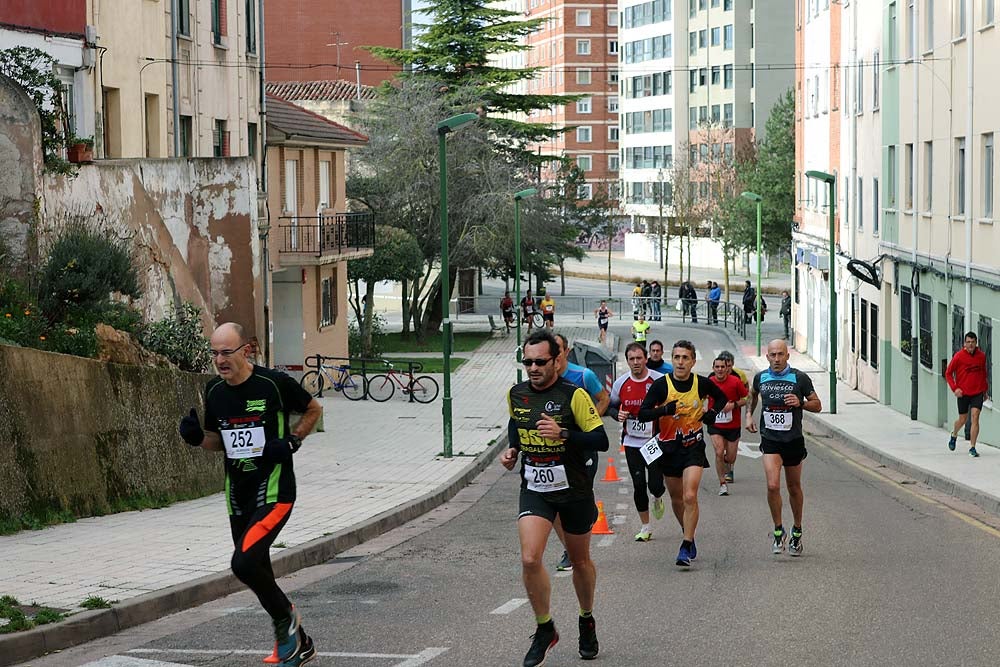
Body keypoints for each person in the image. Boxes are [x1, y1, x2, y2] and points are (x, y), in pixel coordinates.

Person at [178, 323, 323, 666]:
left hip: (274, 490)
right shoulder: (214, 391)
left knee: (242, 563)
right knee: (259, 570)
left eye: (226, 352)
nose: (219, 359)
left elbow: (313, 408)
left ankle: (287, 622)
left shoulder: (273, 383)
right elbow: (219, 442)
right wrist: (197, 437)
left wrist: (292, 440)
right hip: (237, 493)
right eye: (214, 352)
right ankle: (299, 643)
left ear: (246, 350)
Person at [500, 330, 609, 666]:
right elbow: (516, 425)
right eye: (528, 362)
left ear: (556, 362)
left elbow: (600, 440)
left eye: (540, 362)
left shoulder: (573, 395)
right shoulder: (516, 394)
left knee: (580, 562)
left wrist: (563, 433)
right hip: (535, 487)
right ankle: (545, 628)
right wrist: (512, 450)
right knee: (531, 559)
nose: (533, 367)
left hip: (573, 490)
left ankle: (586, 618)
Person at [637, 340, 732, 567]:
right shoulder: (661, 385)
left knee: (690, 496)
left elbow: (721, 398)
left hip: (693, 446)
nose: (680, 362)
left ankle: (686, 543)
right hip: (669, 449)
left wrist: (712, 414)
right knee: (677, 498)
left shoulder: (700, 383)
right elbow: (643, 414)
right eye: (677, 357)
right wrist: (664, 410)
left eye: (685, 358)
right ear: (672, 360)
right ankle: (686, 530)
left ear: (693, 361)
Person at [745, 339, 822, 557]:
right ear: (767, 356)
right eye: (772, 355)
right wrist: (749, 415)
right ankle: (778, 530)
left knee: (794, 487)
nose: (776, 359)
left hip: (793, 440)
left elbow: (818, 405)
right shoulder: (761, 377)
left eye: (780, 354)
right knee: (772, 486)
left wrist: (801, 403)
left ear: (788, 356)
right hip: (770, 440)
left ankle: (797, 530)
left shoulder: (800, 378)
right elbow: (752, 394)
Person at [553, 333, 610, 571]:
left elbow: (604, 397)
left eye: (557, 349)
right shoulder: (544, 380)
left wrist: (589, 423)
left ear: (566, 351)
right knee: (555, 502)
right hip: (555, 450)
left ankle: (578, 546)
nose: (553, 354)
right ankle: (570, 549)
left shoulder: (583, 375)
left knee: (577, 499)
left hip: (582, 448)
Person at [609, 343, 665, 541]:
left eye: (639, 358)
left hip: (654, 440)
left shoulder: (658, 381)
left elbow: (669, 405)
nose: (635, 363)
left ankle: (657, 496)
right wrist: (619, 414)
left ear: (646, 358)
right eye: (631, 359)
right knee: (638, 484)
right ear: (627, 361)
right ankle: (645, 526)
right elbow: (611, 407)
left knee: (656, 484)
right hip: (632, 442)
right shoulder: (621, 383)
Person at [707, 355, 749, 496]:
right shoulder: (709, 382)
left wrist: (733, 405)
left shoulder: (736, 382)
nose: (719, 369)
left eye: (722, 367)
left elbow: (745, 398)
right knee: (719, 452)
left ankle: (726, 463)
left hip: (733, 425)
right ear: (713, 368)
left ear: (727, 369)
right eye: (717, 367)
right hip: (715, 425)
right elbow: (700, 398)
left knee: (730, 458)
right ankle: (722, 484)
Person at [946, 331, 990, 457]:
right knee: (963, 419)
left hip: (977, 392)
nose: (970, 345)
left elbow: (984, 374)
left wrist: (985, 391)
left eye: (973, 342)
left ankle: (972, 447)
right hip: (963, 393)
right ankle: (954, 434)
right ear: (965, 343)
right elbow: (948, 373)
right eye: (968, 342)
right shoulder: (959, 356)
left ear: (976, 343)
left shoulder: (981, 356)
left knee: (975, 417)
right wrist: (955, 389)